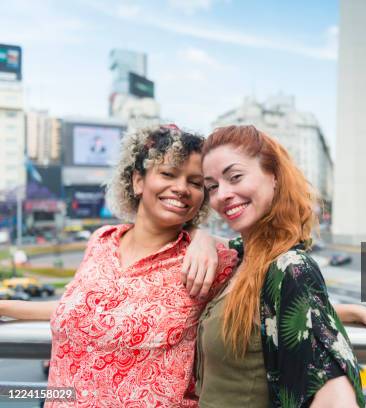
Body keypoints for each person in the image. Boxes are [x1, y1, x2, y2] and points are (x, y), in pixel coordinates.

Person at [0, 125, 235, 406]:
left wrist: (205, 238)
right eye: (168, 174)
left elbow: (272, 249)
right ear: (138, 181)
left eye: (196, 183)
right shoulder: (101, 241)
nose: (182, 188)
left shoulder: (207, 260)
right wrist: (4, 307)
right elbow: (85, 306)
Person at [197, 125, 366, 407]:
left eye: (236, 177)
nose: (222, 195)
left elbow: (336, 399)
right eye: (212, 186)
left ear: (274, 176)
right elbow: (267, 321)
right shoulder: (243, 257)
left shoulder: (291, 269)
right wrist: (201, 238)